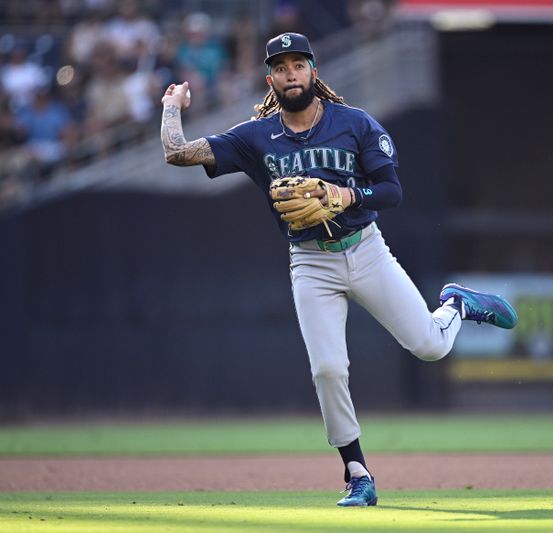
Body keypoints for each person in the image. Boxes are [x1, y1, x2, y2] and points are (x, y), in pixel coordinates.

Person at [159, 32, 518, 507]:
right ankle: (358, 474)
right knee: (328, 369)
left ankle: (458, 303)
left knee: (430, 346)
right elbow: (176, 152)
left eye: (298, 65)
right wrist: (171, 107)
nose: (291, 74)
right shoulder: (255, 136)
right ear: (271, 78)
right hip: (310, 261)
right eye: (281, 67)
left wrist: (344, 195)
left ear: (313, 70)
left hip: (366, 249)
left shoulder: (355, 124)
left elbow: (391, 191)